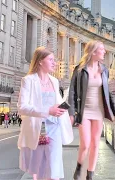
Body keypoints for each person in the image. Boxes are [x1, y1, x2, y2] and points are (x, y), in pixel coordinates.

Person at [17, 47, 73, 180]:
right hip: (37, 130)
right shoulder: (28, 80)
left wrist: (62, 110)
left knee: (54, 170)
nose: (55, 63)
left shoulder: (54, 81)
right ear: (41, 61)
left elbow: (56, 103)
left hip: (54, 128)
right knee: (39, 170)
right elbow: (22, 107)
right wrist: (48, 110)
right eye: (51, 60)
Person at [68, 40, 115, 180]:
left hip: (99, 111)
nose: (104, 52)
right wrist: (72, 112)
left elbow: (108, 93)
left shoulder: (104, 70)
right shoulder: (80, 69)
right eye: (102, 49)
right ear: (94, 52)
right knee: (85, 143)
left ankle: (90, 174)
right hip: (84, 111)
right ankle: (79, 167)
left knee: (95, 143)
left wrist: (114, 112)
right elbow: (72, 92)